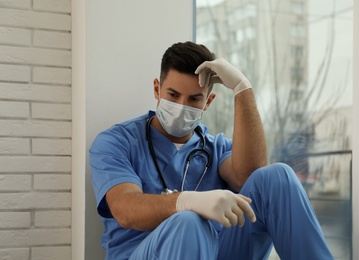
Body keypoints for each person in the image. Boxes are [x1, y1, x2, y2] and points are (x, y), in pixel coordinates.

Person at [89, 41, 333, 260]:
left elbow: (250, 176)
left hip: (215, 251)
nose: (181, 106)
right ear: (157, 89)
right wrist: (189, 202)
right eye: (173, 95)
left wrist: (242, 88)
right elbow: (125, 210)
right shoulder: (117, 142)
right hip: (144, 253)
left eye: (194, 99)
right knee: (188, 221)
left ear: (208, 102)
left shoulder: (215, 147)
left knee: (277, 176)